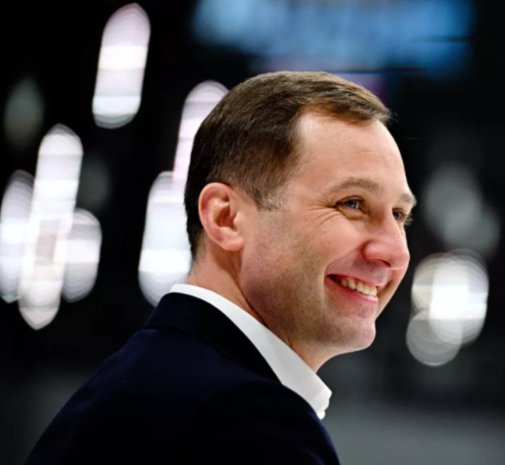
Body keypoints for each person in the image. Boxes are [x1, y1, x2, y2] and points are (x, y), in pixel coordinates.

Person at [26, 71, 415, 464]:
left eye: (399, 215)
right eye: (352, 204)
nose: (395, 252)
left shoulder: (149, 382)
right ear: (226, 218)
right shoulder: (244, 420)